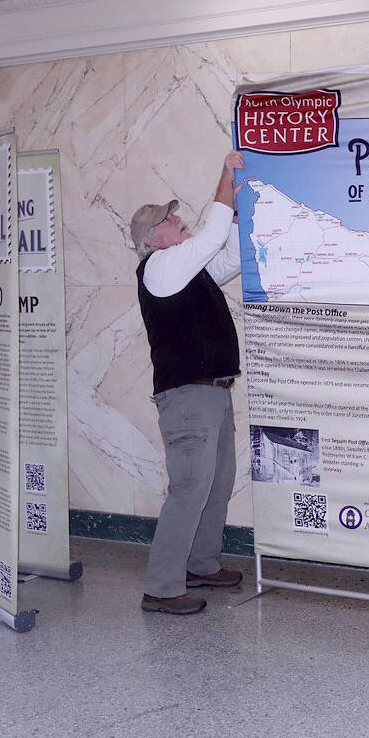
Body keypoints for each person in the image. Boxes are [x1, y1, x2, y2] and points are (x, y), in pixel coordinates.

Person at [131, 150, 247, 615]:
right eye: (168, 219)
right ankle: (161, 588)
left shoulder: (188, 274)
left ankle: (200, 564)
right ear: (151, 239)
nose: (177, 219)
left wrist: (235, 213)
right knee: (190, 488)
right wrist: (226, 175)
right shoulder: (160, 268)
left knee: (217, 483)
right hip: (188, 400)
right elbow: (211, 237)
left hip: (211, 394)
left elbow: (231, 255)